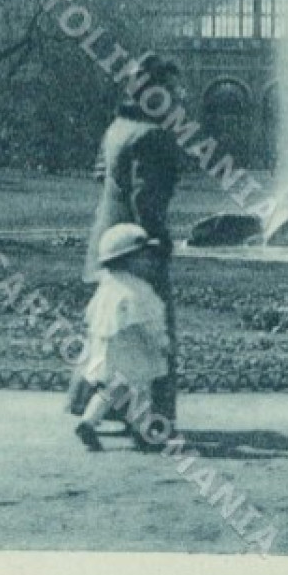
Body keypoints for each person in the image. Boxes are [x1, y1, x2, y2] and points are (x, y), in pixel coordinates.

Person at [82, 52, 183, 423]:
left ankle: (94, 408)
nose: (178, 96)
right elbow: (146, 197)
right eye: (171, 89)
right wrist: (157, 240)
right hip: (135, 246)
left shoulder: (118, 127)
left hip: (107, 240)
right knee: (149, 329)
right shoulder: (153, 135)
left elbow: (100, 174)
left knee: (111, 331)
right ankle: (154, 417)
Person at [70, 223, 172, 452]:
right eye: (143, 258)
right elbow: (149, 322)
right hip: (134, 348)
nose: (149, 262)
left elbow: (94, 318)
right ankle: (141, 432)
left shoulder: (107, 286)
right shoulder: (138, 290)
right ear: (128, 260)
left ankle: (88, 421)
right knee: (140, 389)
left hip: (109, 348)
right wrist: (162, 342)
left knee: (110, 389)